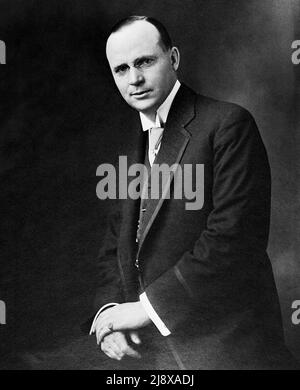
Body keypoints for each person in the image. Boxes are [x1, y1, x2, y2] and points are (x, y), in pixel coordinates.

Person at [86, 15, 298, 369]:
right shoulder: (126, 148)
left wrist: (145, 309)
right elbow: (115, 245)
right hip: (149, 355)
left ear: (174, 58)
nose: (134, 79)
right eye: (121, 69)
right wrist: (108, 318)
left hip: (228, 348)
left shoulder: (228, 124)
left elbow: (234, 239)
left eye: (144, 62)